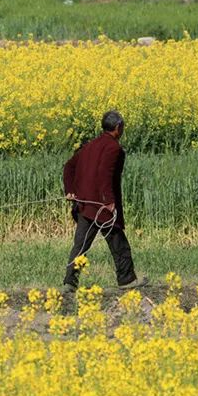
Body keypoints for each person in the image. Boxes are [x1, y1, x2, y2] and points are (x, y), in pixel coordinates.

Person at [62, 110, 148, 292]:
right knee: (119, 243)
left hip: (86, 204)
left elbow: (69, 166)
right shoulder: (113, 148)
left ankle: (70, 283)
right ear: (118, 127)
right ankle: (126, 280)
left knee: (81, 245)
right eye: (122, 126)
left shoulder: (90, 145)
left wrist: (70, 190)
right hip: (100, 207)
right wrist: (108, 201)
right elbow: (104, 174)